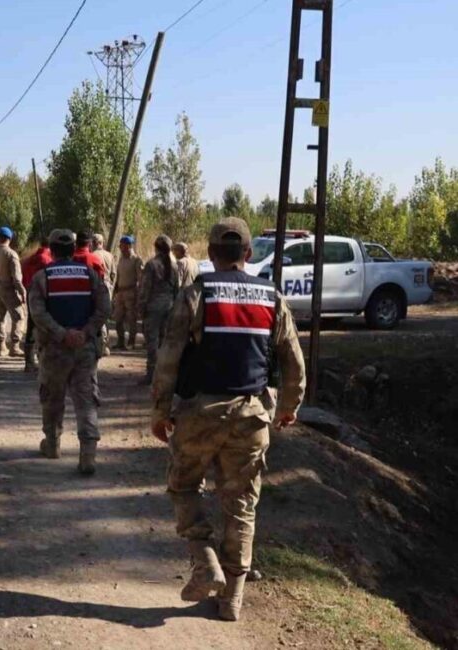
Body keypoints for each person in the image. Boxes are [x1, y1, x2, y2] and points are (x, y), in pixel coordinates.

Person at [151, 217, 305, 622]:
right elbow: (293, 360)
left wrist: (159, 410)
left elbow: (168, 360)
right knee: (241, 505)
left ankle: (205, 563)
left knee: (183, 487)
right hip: (251, 418)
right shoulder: (272, 297)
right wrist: (290, 405)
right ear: (249, 255)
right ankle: (232, 598)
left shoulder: (195, 294)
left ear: (212, 255)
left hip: (200, 415)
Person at [28, 229, 111, 475]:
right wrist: (86, 332)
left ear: (51, 250)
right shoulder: (90, 275)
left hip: (54, 351)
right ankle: (88, 457)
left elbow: (37, 313)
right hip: (85, 349)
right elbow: (104, 306)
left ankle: (52, 445)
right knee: (86, 402)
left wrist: (62, 334)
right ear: (74, 249)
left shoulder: (43, 277)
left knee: (52, 399)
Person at [138, 235, 180, 385]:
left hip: (153, 308)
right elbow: (177, 289)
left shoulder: (151, 265)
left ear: (156, 247)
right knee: (164, 343)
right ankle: (163, 375)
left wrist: (141, 308)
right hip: (169, 307)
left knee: (152, 342)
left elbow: (145, 289)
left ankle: (151, 374)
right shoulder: (174, 266)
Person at [0, 226, 26, 357]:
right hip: (8, 287)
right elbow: (16, 278)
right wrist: (22, 291)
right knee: (19, 316)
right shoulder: (11, 254)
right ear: (9, 239)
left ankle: (1, 346)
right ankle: (15, 346)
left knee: (0, 317)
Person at [20, 236, 53, 372]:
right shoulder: (47, 260)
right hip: (44, 296)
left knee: (31, 324)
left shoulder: (29, 260)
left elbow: (23, 276)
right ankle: (43, 359)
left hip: (30, 293)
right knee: (45, 326)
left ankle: (28, 362)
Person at [113, 235, 144, 350]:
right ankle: (120, 341)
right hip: (120, 293)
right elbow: (118, 276)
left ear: (129, 246)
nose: (121, 248)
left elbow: (141, 279)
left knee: (132, 319)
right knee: (118, 318)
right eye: (120, 245)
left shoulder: (136, 260)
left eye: (122, 245)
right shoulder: (121, 259)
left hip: (131, 293)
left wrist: (140, 295)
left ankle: (131, 342)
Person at [90, 233, 116, 357]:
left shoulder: (92, 256)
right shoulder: (109, 255)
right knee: (106, 316)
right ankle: (106, 345)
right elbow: (114, 274)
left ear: (94, 243)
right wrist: (112, 286)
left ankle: (101, 344)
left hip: (97, 286)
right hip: (108, 287)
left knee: (97, 315)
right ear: (102, 242)